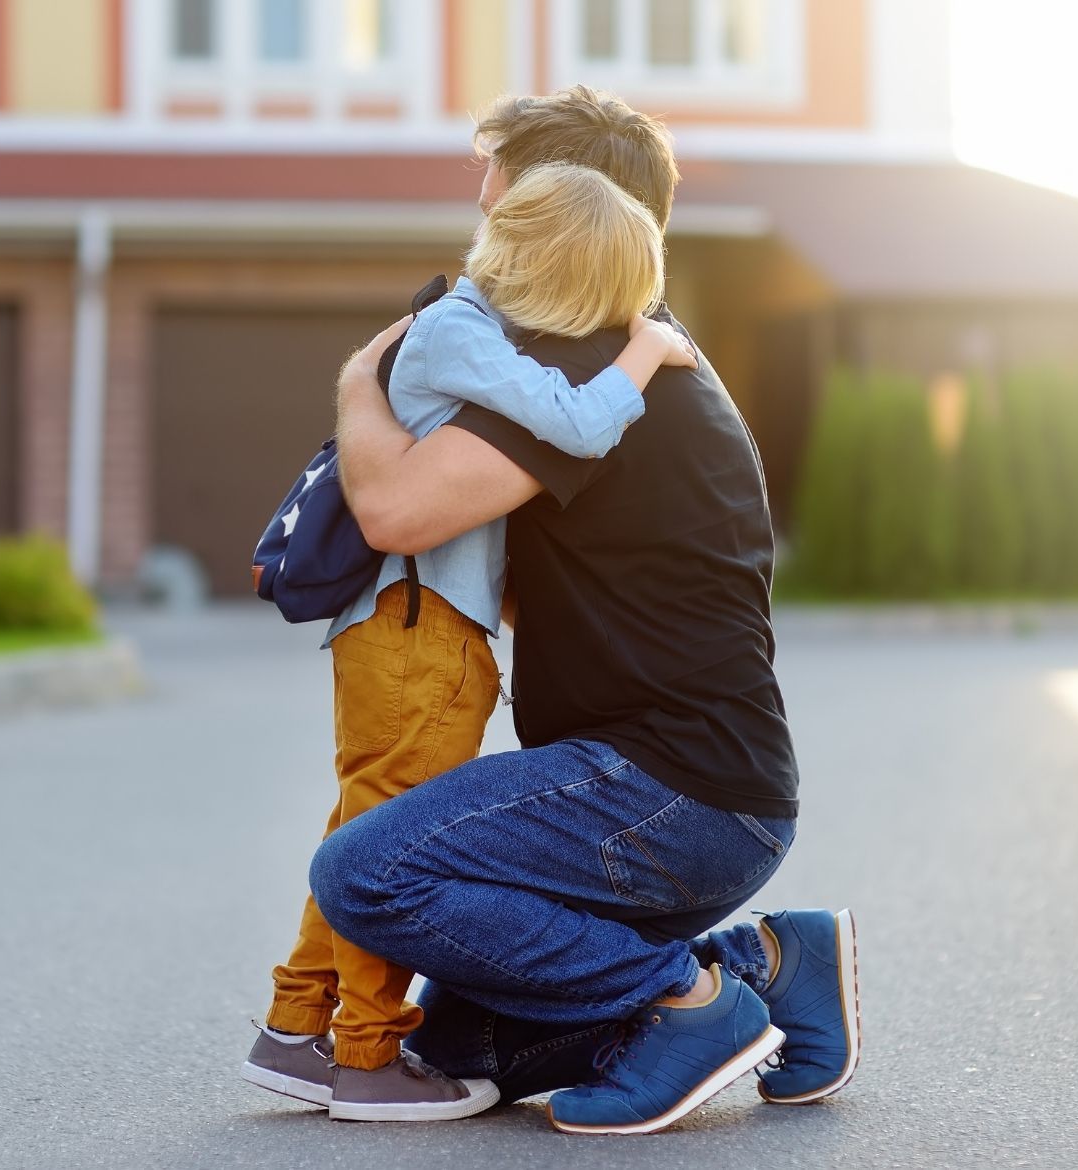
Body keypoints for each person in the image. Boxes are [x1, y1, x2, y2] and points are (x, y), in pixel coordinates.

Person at [310, 86, 860, 1135]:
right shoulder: (625, 353)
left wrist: (359, 376)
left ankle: (686, 1002)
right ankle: (773, 964)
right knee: (465, 1048)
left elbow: (393, 508)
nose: (481, 203)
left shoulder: (580, 362)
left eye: (498, 181)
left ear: (561, 202)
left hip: (666, 795)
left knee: (367, 874)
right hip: (691, 798)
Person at [242, 159, 699, 1123]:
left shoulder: (459, 330)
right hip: (418, 632)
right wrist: (646, 354)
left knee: (363, 827)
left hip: (416, 629)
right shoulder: (461, 330)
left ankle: (295, 1028)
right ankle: (364, 1052)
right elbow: (578, 423)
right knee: (387, 849)